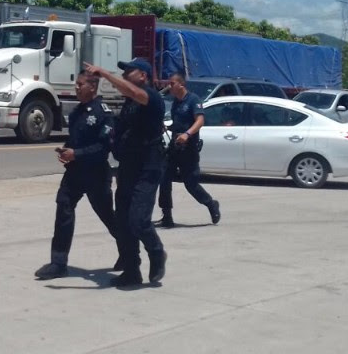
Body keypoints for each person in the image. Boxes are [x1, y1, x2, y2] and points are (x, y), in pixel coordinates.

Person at [83, 58, 167, 287]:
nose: (125, 74)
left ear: (143, 76)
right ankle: (132, 270)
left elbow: (132, 91)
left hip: (148, 167)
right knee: (122, 220)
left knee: (138, 219)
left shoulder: (152, 98)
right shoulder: (129, 102)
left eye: (130, 71)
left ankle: (157, 252)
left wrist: (105, 74)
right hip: (128, 166)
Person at [34, 71, 119, 280]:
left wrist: (77, 154)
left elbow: (103, 147)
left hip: (96, 174)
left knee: (107, 215)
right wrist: (66, 151)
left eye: (81, 84)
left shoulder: (103, 113)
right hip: (75, 173)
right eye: (76, 84)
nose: (77, 87)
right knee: (63, 208)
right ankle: (58, 263)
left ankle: (129, 252)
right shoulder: (76, 112)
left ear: (93, 87)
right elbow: (75, 140)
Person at [158, 73, 220, 229]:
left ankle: (211, 204)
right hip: (174, 147)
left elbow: (200, 120)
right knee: (164, 179)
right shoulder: (176, 102)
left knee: (191, 184)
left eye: (172, 83)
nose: (169, 87)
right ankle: (167, 216)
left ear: (181, 84)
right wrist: (168, 127)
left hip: (189, 148)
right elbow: (179, 123)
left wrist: (187, 134)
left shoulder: (193, 100)